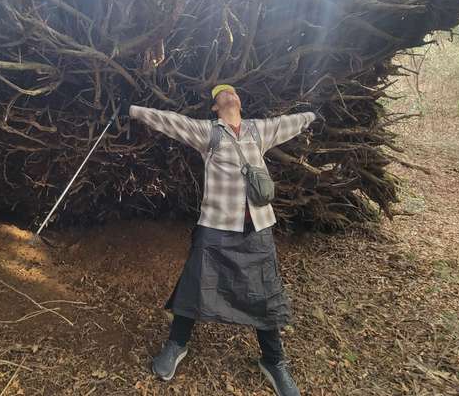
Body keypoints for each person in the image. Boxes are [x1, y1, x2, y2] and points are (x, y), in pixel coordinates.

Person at [123, 84, 316, 396]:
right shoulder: (208, 132)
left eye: (232, 92)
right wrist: (133, 111)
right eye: (221, 94)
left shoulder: (258, 130)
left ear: (239, 101)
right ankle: (176, 344)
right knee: (194, 283)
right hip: (215, 225)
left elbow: (288, 123)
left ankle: (274, 361)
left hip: (258, 227)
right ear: (215, 107)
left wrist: (312, 115)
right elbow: (171, 121)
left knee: (265, 293)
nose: (228, 94)